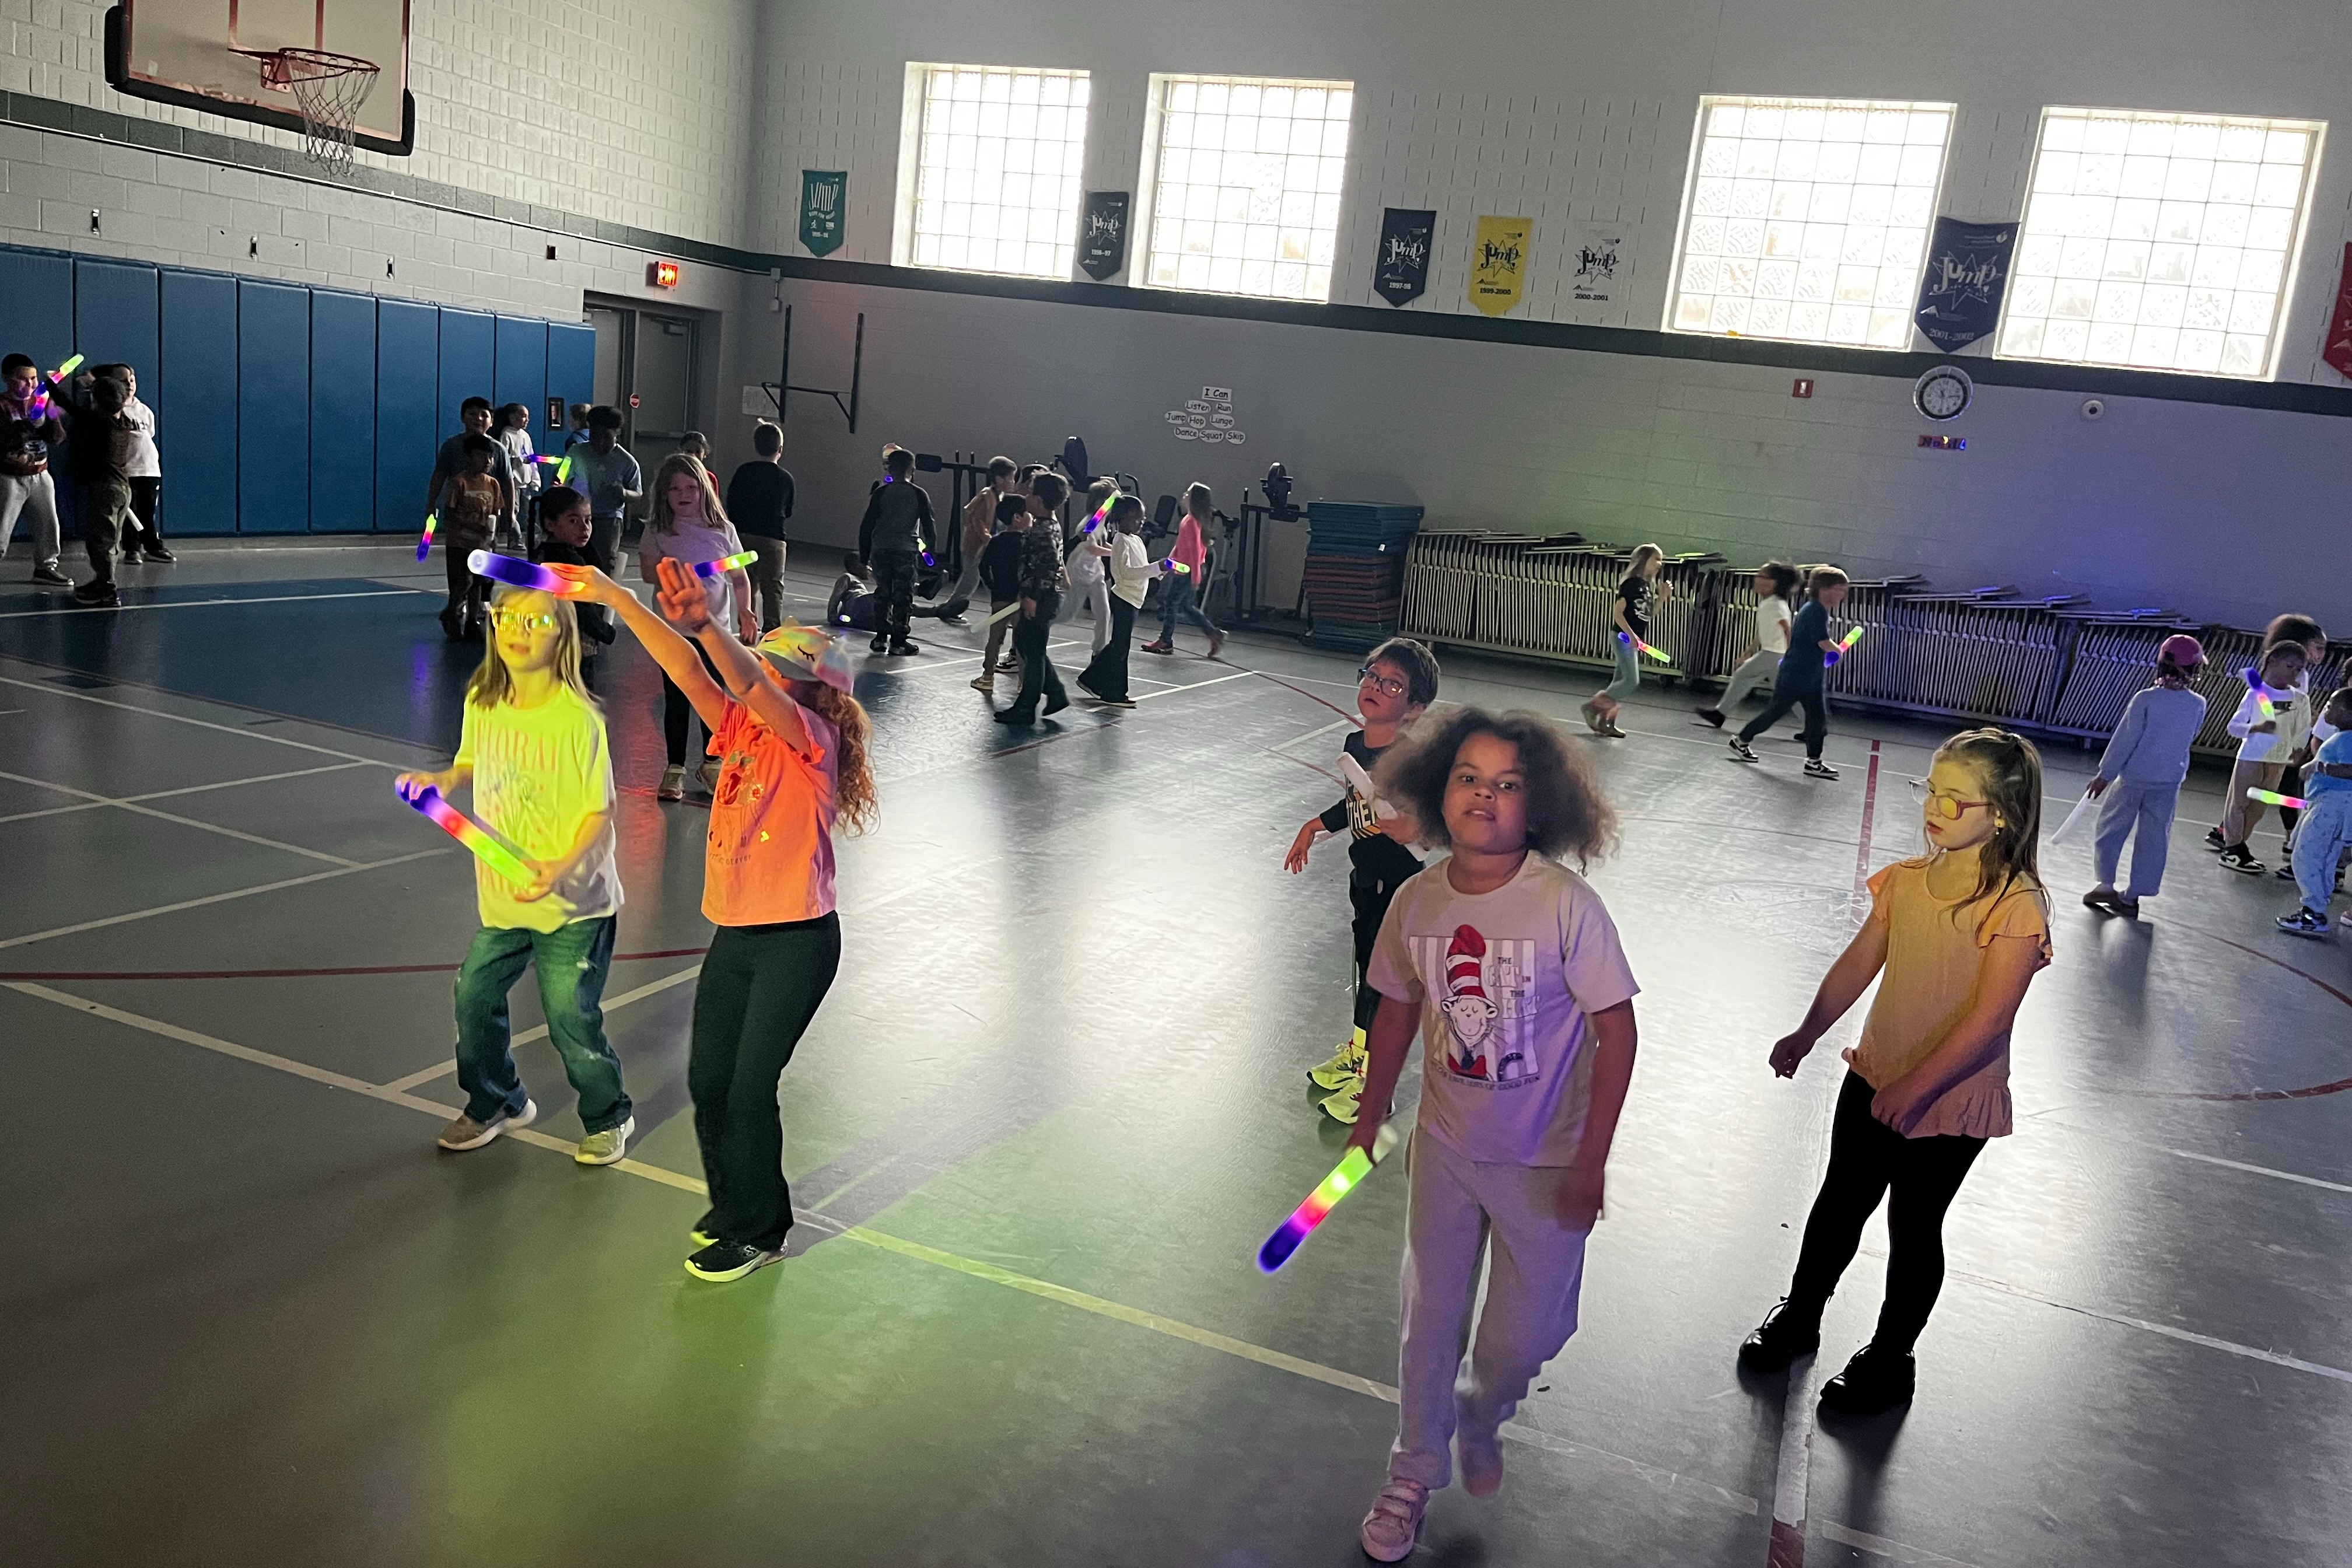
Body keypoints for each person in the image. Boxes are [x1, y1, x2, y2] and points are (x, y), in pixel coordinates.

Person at [1344, 707, 1638, 1561]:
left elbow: (1617, 1034)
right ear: (1440, 790)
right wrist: (1372, 1112)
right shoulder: (1417, 899)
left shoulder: (1565, 906)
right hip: (1445, 1148)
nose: (1485, 795)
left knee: (1523, 1339)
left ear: (1538, 805)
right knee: (1428, 1319)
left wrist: (1592, 1161)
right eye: (1469, 777)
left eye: (1508, 784)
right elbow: (1396, 1008)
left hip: (1546, 1163)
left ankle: (1485, 1408)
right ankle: (1412, 1469)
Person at [563, 559, 876, 1281]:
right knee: (709, 1080)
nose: (759, 675)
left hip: (797, 942)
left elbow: (747, 684)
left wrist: (707, 623)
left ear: (810, 691)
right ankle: (735, 1205)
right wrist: (618, 598)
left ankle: (759, 1230)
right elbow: (685, 670)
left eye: (774, 670)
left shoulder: (811, 742)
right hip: (737, 936)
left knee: (749, 1086)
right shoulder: (742, 730)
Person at [1739, 729, 2052, 1417]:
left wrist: (1919, 1087)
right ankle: (1801, 1314)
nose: (1935, 808)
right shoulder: (1906, 881)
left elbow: (1990, 1020)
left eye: (1956, 799)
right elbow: (1859, 962)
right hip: (1877, 1073)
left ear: (2002, 813)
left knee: (1914, 1227)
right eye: (1931, 791)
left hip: (1951, 1099)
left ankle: (1890, 1359)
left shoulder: (2016, 906)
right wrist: (1808, 1030)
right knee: (1839, 1203)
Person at [393, 586, 635, 1165]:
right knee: (473, 998)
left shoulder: (576, 720)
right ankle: (497, 1100)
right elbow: (470, 760)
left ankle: (608, 1115)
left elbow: (600, 813)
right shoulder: (483, 700)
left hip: (575, 904)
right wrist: (445, 781)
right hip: (505, 898)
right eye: (506, 619)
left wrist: (559, 868)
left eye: (535, 622)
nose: (517, 631)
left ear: (562, 637)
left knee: (569, 1016)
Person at [1282, 638, 1441, 1123]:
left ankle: (1378, 1084)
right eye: (1372, 676)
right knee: (1365, 973)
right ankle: (1359, 1052)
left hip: (1398, 887)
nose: (1376, 686)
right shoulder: (1355, 746)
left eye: (1392, 685)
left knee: (1386, 982)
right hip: (1366, 879)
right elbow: (1356, 803)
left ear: (1414, 708)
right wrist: (1314, 826)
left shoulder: (1411, 760)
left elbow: (1435, 820)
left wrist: (1416, 826)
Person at [637, 453, 757, 800]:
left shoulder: (723, 531)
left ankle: (712, 761)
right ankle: (675, 766)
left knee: (713, 697)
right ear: (664, 494)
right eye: (675, 489)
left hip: (714, 632)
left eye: (691, 487)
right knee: (677, 698)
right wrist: (674, 570)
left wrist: (746, 611)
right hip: (673, 632)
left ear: (704, 490)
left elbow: (739, 577)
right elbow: (648, 573)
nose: (683, 494)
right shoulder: (658, 530)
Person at [2082, 634, 2207, 916]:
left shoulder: (2145, 699)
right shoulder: (2198, 704)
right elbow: (2188, 737)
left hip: (2133, 779)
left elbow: (2125, 739)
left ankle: (2105, 884)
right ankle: (2134, 895)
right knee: (2155, 838)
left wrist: (2105, 775)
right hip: (2169, 782)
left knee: (2110, 829)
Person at [1728, 566, 1850, 780]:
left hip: (1808, 677)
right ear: (1825, 589)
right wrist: (1837, 650)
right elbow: (1823, 642)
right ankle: (1741, 740)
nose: (1843, 594)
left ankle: (1813, 761)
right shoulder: (1815, 611)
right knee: (1777, 713)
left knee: (1816, 720)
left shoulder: (1817, 610)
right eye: (1839, 589)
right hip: (1797, 677)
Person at [2213, 638, 2312, 876]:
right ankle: (2232, 847)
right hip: (2252, 756)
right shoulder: (2256, 694)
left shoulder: (2300, 700)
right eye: (2290, 666)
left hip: (2278, 760)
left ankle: (2240, 846)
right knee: (2240, 803)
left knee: (2259, 806)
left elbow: (2303, 728)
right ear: (2273, 662)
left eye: (2299, 669)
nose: (2294, 672)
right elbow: (2234, 727)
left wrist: (2299, 749)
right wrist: (2254, 728)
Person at [53, 369, 135, 608]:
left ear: (97, 401)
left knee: (101, 541)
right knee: (111, 541)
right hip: (122, 489)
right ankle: (102, 580)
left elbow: (69, 406)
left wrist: (51, 384)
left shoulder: (100, 422)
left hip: (106, 490)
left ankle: (107, 589)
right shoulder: (124, 423)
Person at [2276, 688, 2352, 937]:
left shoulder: (2348, 739)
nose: (2326, 709)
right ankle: (2317, 905)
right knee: (2324, 857)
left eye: (2332, 706)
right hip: (2328, 803)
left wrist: (2320, 767)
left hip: (2332, 805)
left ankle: (2313, 911)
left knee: (2306, 855)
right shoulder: (2342, 737)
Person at [996, 471, 1070, 724]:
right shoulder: (1047, 525)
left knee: (1033, 651)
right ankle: (1056, 692)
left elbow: (1046, 566)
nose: (1025, 497)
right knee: (1028, 645)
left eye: (1029, 493)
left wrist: (1032, 597)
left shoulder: (1042, 530)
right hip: (1045, 594)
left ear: (1038, 500)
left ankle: (1027, 707)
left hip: (1042, 596)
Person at [1074, 495, 1160, 708]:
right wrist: (1115, 551)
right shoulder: (1095, 523)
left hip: (1114, 584)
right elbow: (1091, 544)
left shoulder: (1130, 537)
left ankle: (1092, 679)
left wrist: (1159, 571)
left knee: (1117, 642)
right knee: (1117, 642)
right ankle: (1112, 690)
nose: (1141, 522)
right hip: (1089, 575)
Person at [1583, 544, 1672, 738]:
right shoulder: (1631, 584)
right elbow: (1618, 614)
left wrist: (1663, 598)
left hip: (1632, 639)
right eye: (1656, 559)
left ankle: (1607, 722)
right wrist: (1631, 635)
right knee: (1631, 681)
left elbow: (1648, 615)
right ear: (1643, 560)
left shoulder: (1646, 587)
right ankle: (1593, 707)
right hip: (1623, 637)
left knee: (1619, 682)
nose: (1660, 563)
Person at [1696, 562, 1797, 727]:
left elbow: (1787, 629)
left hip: (1773, 655)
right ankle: (1814, 724)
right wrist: (1747, 653)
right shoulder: (1770, 603)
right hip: (1773, 654)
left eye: (1762, 576)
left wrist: (1790, 655)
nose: (1756, 579)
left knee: (1742, 676)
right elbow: (1764, 633)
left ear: (1773, 583)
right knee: (1786, 692)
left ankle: (1720, 714)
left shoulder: (1775, 605)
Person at [856, 445, 934, 655]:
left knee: (883, 593)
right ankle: (898, 641)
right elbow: (929, 525)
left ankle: (880, 638)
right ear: (912, 470)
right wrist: (930, 554)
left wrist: (864, 556)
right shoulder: (919, 494)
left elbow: (867, 526)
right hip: (905, 551)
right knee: (903, 596)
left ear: (890, 469)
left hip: (881, 550)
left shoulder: (881, 493)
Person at [1, 353, 71, 586]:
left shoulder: (42, 399)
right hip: (9, 477)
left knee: (49, 525)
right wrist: (27, 424)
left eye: (33, 378)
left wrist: (47, 419)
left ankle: (46, 567)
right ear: (7, 379)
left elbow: (58, 438)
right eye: (23, 379)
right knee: (2, 529)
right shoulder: (2, 405)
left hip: (41, 474)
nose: (30, 384)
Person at [97, 364, 172, 564]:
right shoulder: (113, 411)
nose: (129, 384)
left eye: (132, 380)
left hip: (149, 469)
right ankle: (132, 549)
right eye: (123, 381)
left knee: (148, 512)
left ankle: (153, 547)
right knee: (130, 513)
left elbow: (149, 435)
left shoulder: (144, 410)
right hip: (126, 471)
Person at [726, 421, 796, 634]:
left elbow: (731, 502)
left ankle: (748, 626)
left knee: (746, 583)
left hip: (744, 536)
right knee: (773, 587)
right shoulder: (786, 479)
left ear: (756, 446)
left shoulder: (744, 472)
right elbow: (788, 510)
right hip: (773, 539)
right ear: (780, 449)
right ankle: (772, 630)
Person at [433, 434, 505, 640]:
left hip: (482, 544)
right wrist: (472, 527)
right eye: (481, 456)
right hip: (460, 543)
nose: (487, 461)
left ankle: (473, 620)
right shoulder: (460, 482)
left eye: (490, 457)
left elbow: (496, 511)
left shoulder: (492, 484)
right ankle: (452, 613)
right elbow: (451, 513)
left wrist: (493, 535)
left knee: (478, 583)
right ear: (469, 457)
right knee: (463, 581)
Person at [1140, 482, 1224, 657]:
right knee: (1187, 606)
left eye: (1188, 493)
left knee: (1172, 603)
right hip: (1184, 569)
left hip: (1188, 570)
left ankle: (1166, 641)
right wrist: (1167, 565)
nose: (1184, 495)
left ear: (1195, 500)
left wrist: (1195, 575)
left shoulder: (1192, 522)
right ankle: (1214, 634)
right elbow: (1179, 547)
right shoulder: (1188, 520)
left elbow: (1195, 551)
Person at [425, 397, 519, 547]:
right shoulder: (452, 446)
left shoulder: (499, 449)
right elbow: (439, 476)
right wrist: (431, 504)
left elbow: (508, 482)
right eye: (472, 414)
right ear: (463, 418)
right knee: (459, 553)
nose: (478, 419)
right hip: (459, 517)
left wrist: (511, 513)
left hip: (487, 519)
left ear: (492, 421)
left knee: (486, 555)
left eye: (484, 415)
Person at [531, 487, 615, 654]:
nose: (585, 528)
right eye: (573, 521)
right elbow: (581, 609)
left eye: (588, 520)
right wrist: (606, 632)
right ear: (550, 524)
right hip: (572, 645)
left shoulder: (541, 553)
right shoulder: (569, 562)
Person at [934, 454, 1016, 623]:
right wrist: (987, 538)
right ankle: (951, 608)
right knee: (970, 580)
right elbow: (974, 518)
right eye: (1011, 478)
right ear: (1000, 478)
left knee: (978, 579)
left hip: (984, 546)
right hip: (976, 547)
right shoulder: (987, 496)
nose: (1013, 482)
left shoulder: (998, 497)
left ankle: (998, 611)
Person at [564, 407, 643, 580]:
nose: (600, 443)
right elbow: (560, 478)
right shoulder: (576, 452)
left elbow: (638, 494)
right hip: (578, 517)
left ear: (617, 434)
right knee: (574, 561)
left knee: (604, 563)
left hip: (609, 519)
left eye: (606, 437)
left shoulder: (627, 462)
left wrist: (623, 492)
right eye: (595, 436)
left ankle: (602, 594)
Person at [970, 495, 1030, 696]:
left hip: (1000, 598)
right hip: (1021, 600)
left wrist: (993, 587)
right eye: (1027, 513)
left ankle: (987, 677)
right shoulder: (1028, 543)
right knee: (1022, 642)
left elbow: (983, 567)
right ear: (1017, 518)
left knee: (995, 639)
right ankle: (1024, 682)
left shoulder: (996, 542)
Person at [1069, 478, 1117, 654]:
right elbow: (1092, 548)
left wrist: (1119, 549)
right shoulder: (1091, 521)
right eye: (1108, 500)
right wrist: (1117, 553)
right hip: (1079, 571)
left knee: (1104, 613)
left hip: (1095, 572)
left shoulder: (1102, 520)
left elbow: (1119, 497)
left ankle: (1098, 652)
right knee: (1065, 612)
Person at [494, 402, 540, 544]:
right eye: (524, 416)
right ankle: (515, 540)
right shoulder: (506, 435)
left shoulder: (526, 436)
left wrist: (535, 479)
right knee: (513, 511)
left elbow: (532, 458)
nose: (527, 420)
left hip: (525, 483)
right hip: (513, 482)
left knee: (527, 514)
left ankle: (528, 540)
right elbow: (504, 458)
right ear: (512, 418)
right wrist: (518, 460)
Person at [827, 553, 879, 631]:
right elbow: (836, 597)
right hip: (858, 604)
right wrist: (832, 615)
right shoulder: (848, 577)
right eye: (868, 565)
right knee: (885, 592)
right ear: (858, 566)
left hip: (859, 616)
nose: (870, 569)